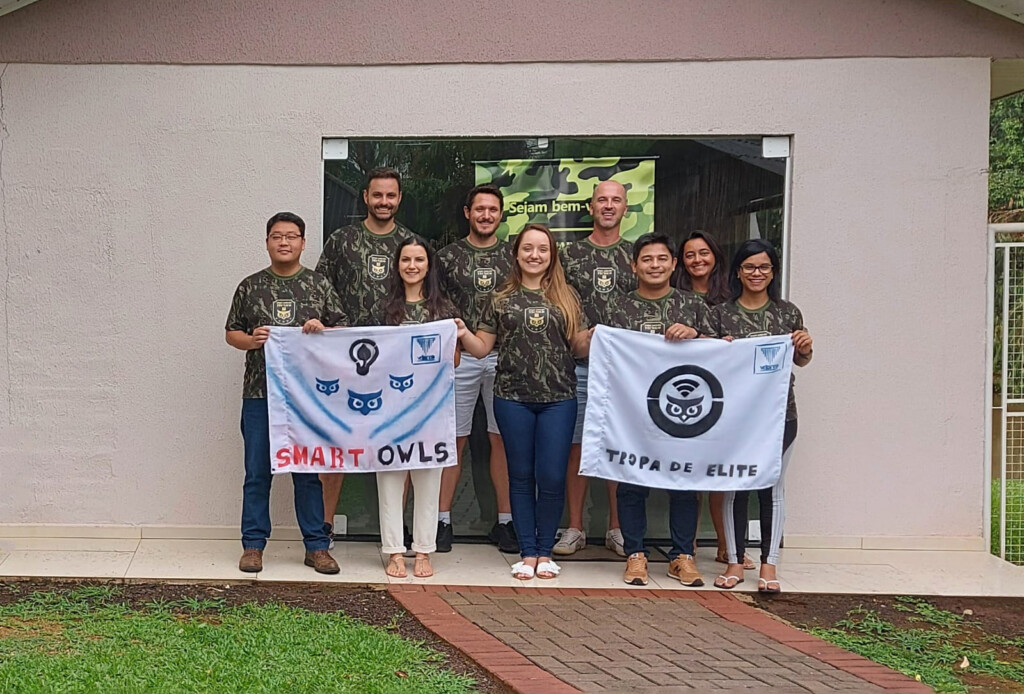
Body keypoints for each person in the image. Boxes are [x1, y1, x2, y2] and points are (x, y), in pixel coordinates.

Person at [456, 224, 591, 580]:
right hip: (511, 397)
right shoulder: (500, 298)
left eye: (542, 249)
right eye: (528, 248)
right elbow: (483, 348)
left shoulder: (568, 297)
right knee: (520, 475)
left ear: (552, 255)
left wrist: (596, 337)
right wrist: (461, 332)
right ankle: (527, 552)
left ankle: (546, 551)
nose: (535, 255)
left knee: (550, 476)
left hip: (559, 398)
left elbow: (577, 347)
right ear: (516, 253)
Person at [225, 212, 345, 575]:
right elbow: (232, 333)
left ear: (303, 243)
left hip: (307, 399)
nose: (284, 242)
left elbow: (341, 332)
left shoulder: (319, 286)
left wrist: (321, 328)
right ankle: (253, 545)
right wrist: (252, 340)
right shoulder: (250, 286)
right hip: (260, 394)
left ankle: (316, 546)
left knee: (307, 472)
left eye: (291, 236)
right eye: (277, 236)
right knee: (258, 471)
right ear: (267, 242)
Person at [700, 238, 813, 594]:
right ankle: (734, 561)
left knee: (772, 489)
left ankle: (769, 566)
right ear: (737, 271)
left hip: (780, 416)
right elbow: (709, 364)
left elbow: (801, 360)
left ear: (773, 272)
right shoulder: (720, 314)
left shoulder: (787, 313)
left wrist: (806, 349)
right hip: (735, 419)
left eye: (764, 267)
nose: (757, 273)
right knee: (736, 487)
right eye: (749, 267)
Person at [315, 167, 417, 546]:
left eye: (391, 196)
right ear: (365, 197)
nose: (384, 202)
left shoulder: (411, 243)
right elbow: (320, 288)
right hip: (346, 359)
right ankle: (323, 526)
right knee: (337, 442)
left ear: (399, 198)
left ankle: (394, 528)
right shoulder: (342, 240)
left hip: (396, 361)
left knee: (397, 445)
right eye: (378, 195)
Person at [603, 233, 706, 587]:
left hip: (681, 413)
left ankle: (682, 556)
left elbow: (721, 354)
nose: (655, 265)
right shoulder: (617, 308)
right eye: (647, 259)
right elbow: (606, 356)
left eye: (662, 259)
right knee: (632, 484)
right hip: (634, 414)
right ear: (634, 266)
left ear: (674, 264)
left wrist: (696, 335)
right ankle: (636, 554)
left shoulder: (692, 306)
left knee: (684, 482)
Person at [554, 180, 637, 557]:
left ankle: (616, 528)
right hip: (579, 365)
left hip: (626, 371)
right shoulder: (569, 254)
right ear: (590, 207)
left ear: (625, 208)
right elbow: (557, 302)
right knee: (576, 447)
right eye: (602, 200)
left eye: (615, 200)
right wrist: (576, 336)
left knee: (618, 447)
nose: (608, 206)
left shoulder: (637, 254)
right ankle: (574, 527)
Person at [436, 185, 517, 554]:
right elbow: (434, 303)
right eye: (479, 209)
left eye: (493, 210)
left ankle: (506, 522)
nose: (486, 215)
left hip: (505, 357)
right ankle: (440, 520)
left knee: (502, 439)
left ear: (501, 214)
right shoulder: (447, 256)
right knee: (455, 438)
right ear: (467, 212)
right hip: (460, 356)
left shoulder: (514, 255)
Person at [378, 238, 458, 578]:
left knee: (428, 479)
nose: (412, 265)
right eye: (406, 259)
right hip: (391, 409)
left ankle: (424, 551)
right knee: (391, 480)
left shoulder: (443, 309)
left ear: (429, 266)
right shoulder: (384, 309)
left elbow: (455, 360)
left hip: (432, 410)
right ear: (397, 265)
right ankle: (394, 551)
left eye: (419, 260)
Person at [676, 231, 754, 570]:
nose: (697, 260)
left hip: (724, 392)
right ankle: (686, 548)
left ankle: (728, 546)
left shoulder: (732, 298)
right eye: (690, 254)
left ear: (716, 256)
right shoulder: (675, 297)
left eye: (704, 253)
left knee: (720, 473)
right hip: (685, 391)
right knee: (688, 471)